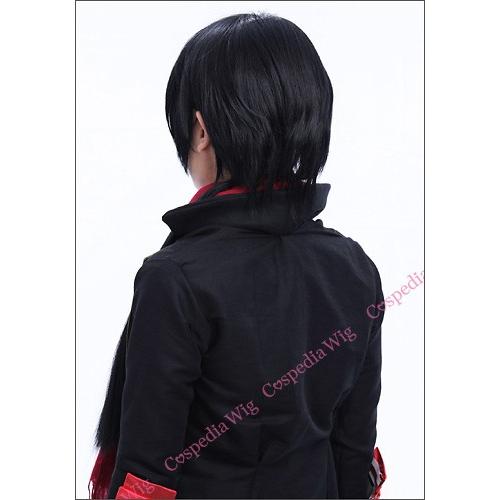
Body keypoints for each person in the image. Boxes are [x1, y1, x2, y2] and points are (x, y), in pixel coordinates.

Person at [89, 12, 386, 500]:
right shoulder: (354, 268)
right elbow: (354, 458)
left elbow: (147, 475)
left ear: (200, 129)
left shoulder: (176, 277)